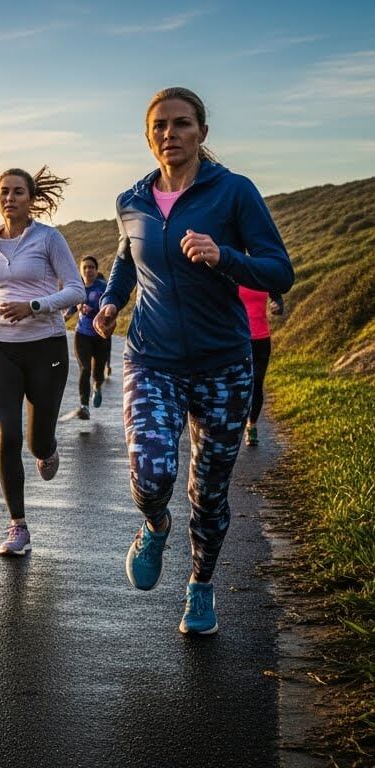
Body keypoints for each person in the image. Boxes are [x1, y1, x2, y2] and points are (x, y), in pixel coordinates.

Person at [94, 88, 293, 636]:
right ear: (147, 134)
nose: (170, 134)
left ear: (202, 132)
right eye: (159, 126)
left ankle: (201, 586)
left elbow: (279, 270)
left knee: (208, 492)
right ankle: (155, 525)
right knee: (151, 473)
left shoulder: (234, 192)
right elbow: (124, 258)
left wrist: (224, 257)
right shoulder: (131, 201)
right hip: (152, 359)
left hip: (224, 364)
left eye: (182, 124)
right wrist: (112, 299)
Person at [0, 167, 84, 558]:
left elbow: (75, 290)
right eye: (3, 192)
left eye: (17, 192)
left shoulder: (48, 238)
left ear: (31, 199)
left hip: (46, 346)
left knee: (36, 440)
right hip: (2, 348)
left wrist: (33, 306)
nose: (9, 198)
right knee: (7, 434)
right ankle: (18, 525)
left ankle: (48, 449)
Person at [239, 286, 283, 446]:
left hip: (262, 339)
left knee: (257, 384)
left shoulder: (263, 276)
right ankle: (234, 427)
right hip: (239, 339)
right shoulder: (233, 273)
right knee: (239, 385)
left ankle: (252, 426)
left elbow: (277, 300)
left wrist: (277, 305)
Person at [72, 256, 111, 419]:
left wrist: (96, 311)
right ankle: (84, 405)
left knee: (98, 371)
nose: (88, 270)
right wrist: (72, 310)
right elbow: (70, 308)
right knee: (84, 368)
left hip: (101, 334)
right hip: (82, 334)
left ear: (96, 270)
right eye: (85, 268)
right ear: (81, 271)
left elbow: (110, 307)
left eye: (91, 267)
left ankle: (97, 386)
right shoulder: (76, 288)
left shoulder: (104, 287)